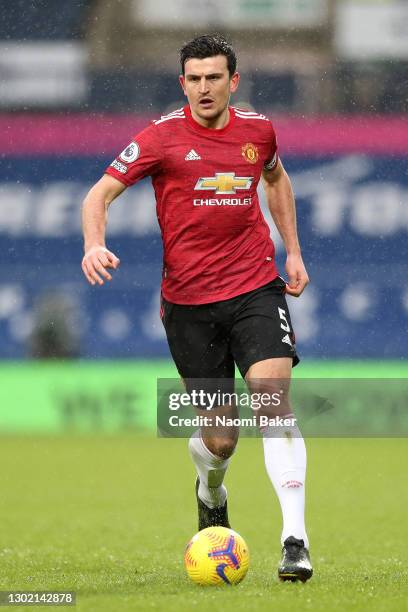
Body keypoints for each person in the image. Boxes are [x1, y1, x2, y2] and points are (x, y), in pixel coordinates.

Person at [81, 34, 312, 582]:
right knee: (220, 438)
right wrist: (94, 242)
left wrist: (293, 251)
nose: (204, 87)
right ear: (181, 82)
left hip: (256, 288)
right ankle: (211, 490)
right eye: (194, 78)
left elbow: (276, 178)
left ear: (233, 81)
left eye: (215, 77)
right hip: (189, 305)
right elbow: (98, 194)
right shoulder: (160, 138)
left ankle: (294, 541)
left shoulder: (259, 130)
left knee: (273, 404)